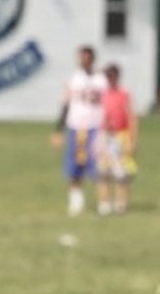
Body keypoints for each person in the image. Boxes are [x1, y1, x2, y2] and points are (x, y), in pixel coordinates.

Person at [50, 46, 106, 216]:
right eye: (81, 58)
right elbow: (66, 103)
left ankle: (103, 201)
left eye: (87, 57)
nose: (84, 61)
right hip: (76, 125)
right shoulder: (74, 79)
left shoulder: (100, 79)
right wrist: (58, 129)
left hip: (95, 126)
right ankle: (76, 200)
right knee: (74, 165)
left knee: (98, 165)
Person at [97, 63, 136, 215]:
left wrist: (132, 139)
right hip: (106, 134)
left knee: (121, 172)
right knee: (103, 170)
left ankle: (121, 202)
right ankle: (104, 202)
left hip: (120, 134)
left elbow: (130, 116)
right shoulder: (103, 95)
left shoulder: (123, 94)